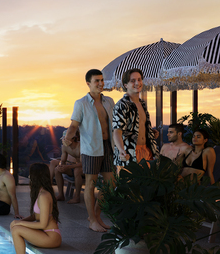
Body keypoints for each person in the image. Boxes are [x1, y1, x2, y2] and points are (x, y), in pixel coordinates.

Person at [64, 69, 115, 232]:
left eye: (101, 80)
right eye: (96, 81)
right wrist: (68, 137)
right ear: (88, 83)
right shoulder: (81, 103)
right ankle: (92, 220)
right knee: (90, 184)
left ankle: (97, 215)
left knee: (110, 184)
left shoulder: (109, 101)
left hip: (108, 146)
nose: (100, 84)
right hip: (91, 148)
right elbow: (74, 124)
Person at [9, 163, 62, 254]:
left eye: (31, 174)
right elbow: (35, 216)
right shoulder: (41, 192)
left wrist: (20, 224)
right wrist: (20, 221)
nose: (29, 177)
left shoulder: (44, 195)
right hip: (45, 233)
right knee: (15, 226)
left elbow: (42, 224)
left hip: (51, 236)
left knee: (16, 230)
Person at [112, 68, 159, 170]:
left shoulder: (142, 104)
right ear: (125, 85)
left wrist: (150, 132)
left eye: (139, 79)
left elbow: (139, 126)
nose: (137, 83)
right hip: (129, 152)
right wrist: (121, 151)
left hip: (146, 151)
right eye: (133, 81)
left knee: (147, 185)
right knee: (129, 186)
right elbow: (117, 131)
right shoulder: (122, 105)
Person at [49, 129, 83, 204]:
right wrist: (61, 166)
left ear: (73, 138)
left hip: (84, 167)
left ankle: (77, 197)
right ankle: (61, 195)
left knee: (77, 170)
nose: (64, 140)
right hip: (73, 166)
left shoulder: (81, 146)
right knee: (57, 169)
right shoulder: (65, 147)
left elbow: (83, 163)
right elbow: (63, 161)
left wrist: (68, 167)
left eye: (66, 138)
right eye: (63, 138)